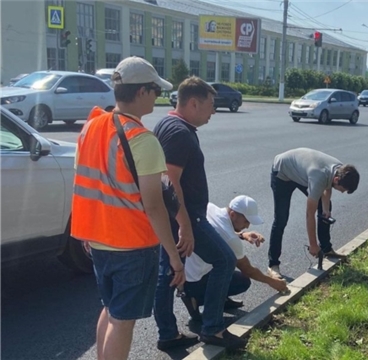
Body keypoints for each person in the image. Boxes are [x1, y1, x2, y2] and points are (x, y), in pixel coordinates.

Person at [71, 56, 189, 360]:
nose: (157, 97)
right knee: (123, 322)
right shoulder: (143, 140)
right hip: (131, 245)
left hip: (97, 240)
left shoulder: (92, 125)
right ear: (141, 92)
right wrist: (174, 258)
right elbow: (154, 206)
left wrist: (87, 232)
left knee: (110, 310)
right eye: (156, 90)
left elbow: (87, 184)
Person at [153, 76, 246, 349]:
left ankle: (168, 334)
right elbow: (170, 181)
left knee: (167, 273)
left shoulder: (169, 124)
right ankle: (213, 328)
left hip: (173, 216)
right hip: (185, 217)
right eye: (210, 104)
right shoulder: (180, 133)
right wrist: (186, 225)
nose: (213, 111)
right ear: (193, 103)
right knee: (225, 260)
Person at [182, 195, 289, 321]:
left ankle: (220, 300)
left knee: (224, 267)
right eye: (246, 221)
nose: (248, 226)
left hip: (184, 271)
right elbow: (248, 269)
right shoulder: (231, 239)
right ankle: (196, 299)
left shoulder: (210, 208)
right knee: (242, 280)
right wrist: (272, 282)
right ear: (232, 214)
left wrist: (242, 235)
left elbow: (218, 231)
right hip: (196, 280)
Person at [268, 147, 360, 279]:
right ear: (337, 180)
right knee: (281, 219)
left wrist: (326, 209)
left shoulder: (339, 169)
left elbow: (327, 188)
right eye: (343, 189)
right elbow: (309, 214)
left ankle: (327, 249)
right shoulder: (319, 176)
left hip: (302, 172)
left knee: (324, 208)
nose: (343, 192)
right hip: (282, 172)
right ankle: (273, 265)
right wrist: (312, 244)